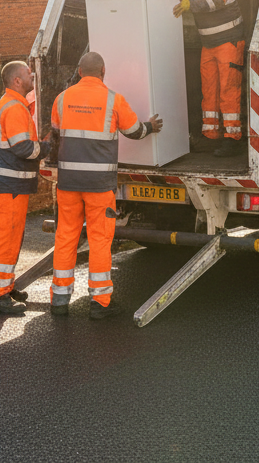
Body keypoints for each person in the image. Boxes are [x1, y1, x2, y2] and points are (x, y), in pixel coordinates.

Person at [50, 52, 163, 319]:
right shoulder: (113, 99)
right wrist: (151, 127)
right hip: (99, 185)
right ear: (103, 71)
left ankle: (59, 300)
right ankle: (100, 303)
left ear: (79, 71)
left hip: (68, 183)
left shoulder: (62, 98)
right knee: (100, 239)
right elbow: (134, 130)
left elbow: (56, 128)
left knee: (66, 236)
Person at [152, 0, 245, 157]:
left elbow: (217, 1)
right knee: (209, 91)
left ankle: (233, 139)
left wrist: (188, 4)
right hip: (209, 42)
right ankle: (211, 137)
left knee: (228, 90)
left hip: (229, 40)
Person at [0, 61, 51, 316]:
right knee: (6, 237)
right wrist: (46, 147)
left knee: (12, 237)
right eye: (28, 74)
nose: (32, 76)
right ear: (16, 81)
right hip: (9, 184)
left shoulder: (14, 103)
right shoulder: (13, 107)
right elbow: (24, 149)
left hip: (11, 184)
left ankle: (4, 287)